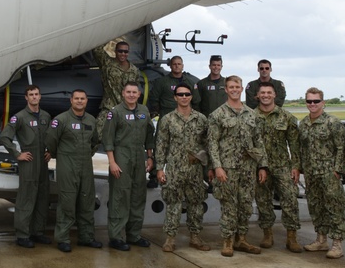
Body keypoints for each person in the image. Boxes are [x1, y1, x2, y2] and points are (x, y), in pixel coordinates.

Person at [207, 75, 268, 257]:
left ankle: (241, 238)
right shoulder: (217, 115)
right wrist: (217, 166)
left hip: (248, 168)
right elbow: (212, 143)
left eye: (237, 87)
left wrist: (262, 166)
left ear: (242, 89)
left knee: (246, 204)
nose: (234, 90)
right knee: (229, 205)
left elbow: (259, 141)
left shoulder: (251, 114)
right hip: (228, 168)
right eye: (231, 87)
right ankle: (227, 241)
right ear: (226, 90)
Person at [155, 82, 212, 252]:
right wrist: (159, 168)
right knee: (173, 203)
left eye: (187, 94)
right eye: (180, 94)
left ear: (191, 96)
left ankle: (195, 237)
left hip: (194, 170)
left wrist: (207, 164)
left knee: (196, 203)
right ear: (175, 97)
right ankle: (170, 239)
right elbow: (161, 145)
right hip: (174, 168)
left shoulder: (201, 119)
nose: (184, 97)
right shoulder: (167, 120)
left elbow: (208, 144)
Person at [46, 89, 102, 253]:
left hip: (86, 165)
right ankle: (63, 238)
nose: (79, 101)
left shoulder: (91, 120)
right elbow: (51, 140)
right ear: (71, 100)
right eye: (76, 98)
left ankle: (86, 237)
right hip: (67, 165)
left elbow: (95, 141)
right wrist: (59, 155)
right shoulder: (61, 120)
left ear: (86, 101)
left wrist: (87, 154)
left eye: (82, 98)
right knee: (67, 202)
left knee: (86, 201)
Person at [102, 82, 155, 251]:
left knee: (138, 195)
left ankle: (134, 235)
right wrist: (112, 162)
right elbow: (108, 139)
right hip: (121, 155)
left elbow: (149, 135)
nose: (132, 95)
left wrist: (149, 156)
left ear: (139, 94)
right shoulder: (115, 112)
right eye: (128, 92)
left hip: (139, 156)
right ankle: (116, 237)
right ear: (123, 93)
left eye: (135, 92)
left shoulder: (144, 111)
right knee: (120, 196)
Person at [0, 84, 52, 248]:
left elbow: (51, 137)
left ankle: (38, 232)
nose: (34, 97)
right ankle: (22, 235)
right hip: (28, 160)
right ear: (26, 98)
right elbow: (5, 137)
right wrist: (17, 154)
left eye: (36, 94)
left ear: (40, 96)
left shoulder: (46, 116)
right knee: (27, 198)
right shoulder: (19, 117)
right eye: (31, 95)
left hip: (42, 161)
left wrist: (50, 151)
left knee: (42, 197)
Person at [297, 87, 345, 258]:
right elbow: (300, 149)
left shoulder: (332, 122)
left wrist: (337, 170)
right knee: (316, 206)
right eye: (309, 101)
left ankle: (337, 244)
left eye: (316, 101)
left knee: (334, 207)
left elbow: (342, 147)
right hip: (311, 173)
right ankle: (321, 239)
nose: (312, 104)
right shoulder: (303, 124)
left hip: (328, 172)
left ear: (323, 103)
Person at [254, 81, 303, 252]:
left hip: (282, 165)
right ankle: (267, 234)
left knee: (290, 198)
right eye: (263, 93)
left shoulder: (286, 117)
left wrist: (296, 166)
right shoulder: (250, 117)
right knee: (263, 201)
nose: (266, 95)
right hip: (260, 167)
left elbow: (294, 144)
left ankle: (292, 237)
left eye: (269, 92)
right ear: (257, 96)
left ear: (275, 95)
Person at [93, 38, 142, 136]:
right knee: (96, 134)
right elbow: (96, 50)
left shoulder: (134, 70)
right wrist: (111, 33)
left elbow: (135, 90)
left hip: (126, 109)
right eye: (120, 51)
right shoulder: (107, 63)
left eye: (125, 51)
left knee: (125, 137)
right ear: (115, 51)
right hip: (109, 107)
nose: (123, 54)